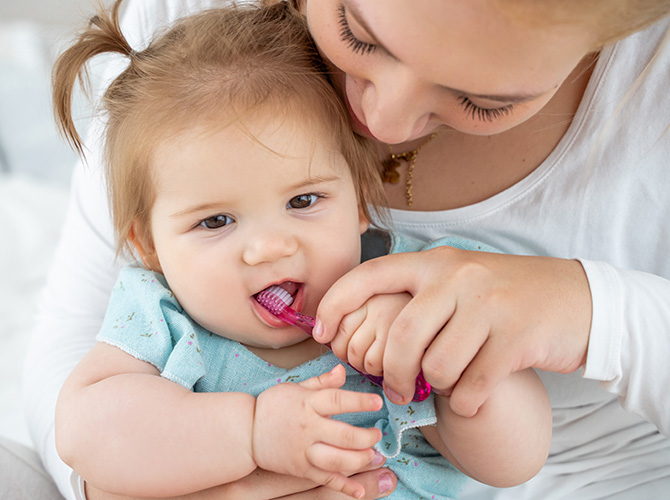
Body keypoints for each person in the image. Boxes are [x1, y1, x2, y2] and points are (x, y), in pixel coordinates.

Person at [17, 0, 670, 498]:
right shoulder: (160, 309)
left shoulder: (409, 284)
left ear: (360, 205)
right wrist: (248, 437)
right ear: (145, 244)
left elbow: (515, 460)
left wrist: (452, 374)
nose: (385, 125)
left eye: (305, 202)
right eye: (216, 220)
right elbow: (85, 427)